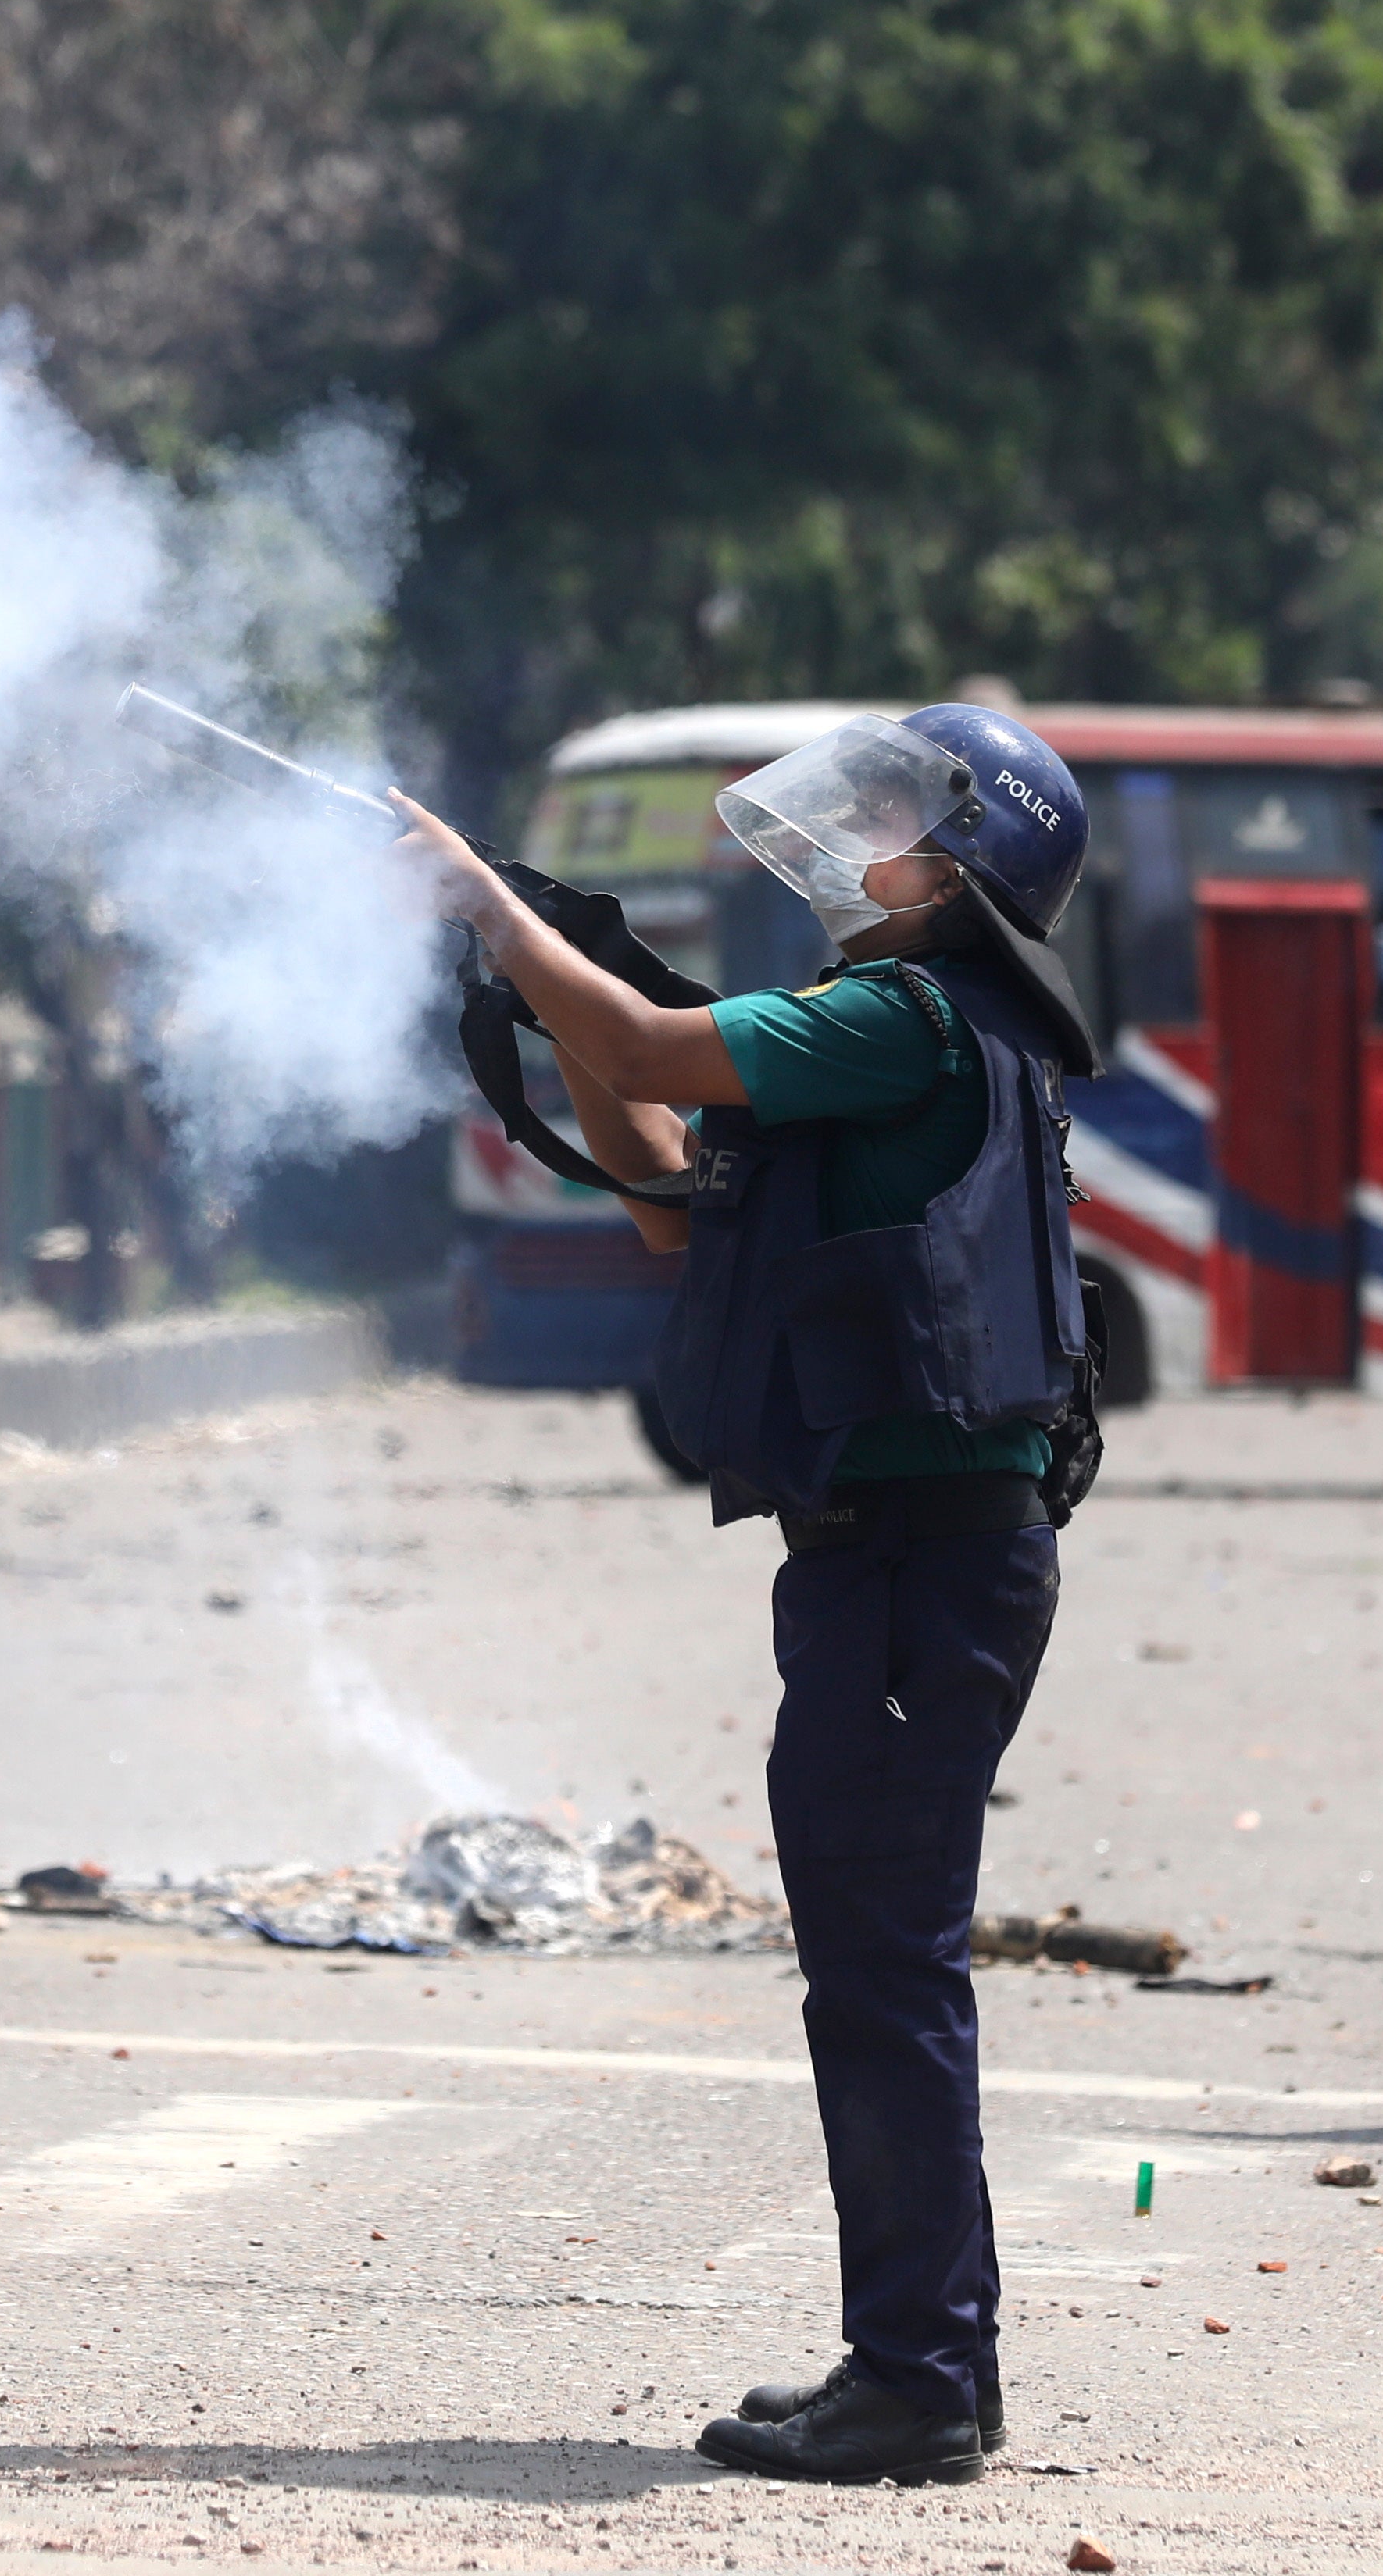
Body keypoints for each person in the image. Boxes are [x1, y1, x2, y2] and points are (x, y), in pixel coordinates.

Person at [393, 705, 1099, 2491]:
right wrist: (557, 988)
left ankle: (924, 2379)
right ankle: (915, 2360)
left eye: (895, 815)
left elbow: (638, 1036)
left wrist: (499, 915)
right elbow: (661, 1192)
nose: (851, 829)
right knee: (876, 1968)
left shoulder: (904, 1016)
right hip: (905, 1558)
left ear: (960, 868)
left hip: (915, 1565)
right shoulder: (927, 1032)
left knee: (885, 1974)